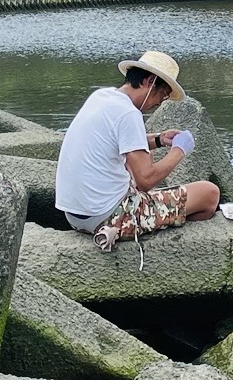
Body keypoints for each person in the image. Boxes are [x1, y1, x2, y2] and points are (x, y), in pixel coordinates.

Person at [55, 50, 219, 253]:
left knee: (144, 159)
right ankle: (163, 230)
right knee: (209, 194)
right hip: (110, 216)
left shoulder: (101, 96)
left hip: (75, 216)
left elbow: (116, 141)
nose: (160, 102)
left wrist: (159, 140)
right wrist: (179, 150)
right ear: (150, 81)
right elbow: (145, 180)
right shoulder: (129, 113)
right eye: (162, 94)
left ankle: (163, 215)